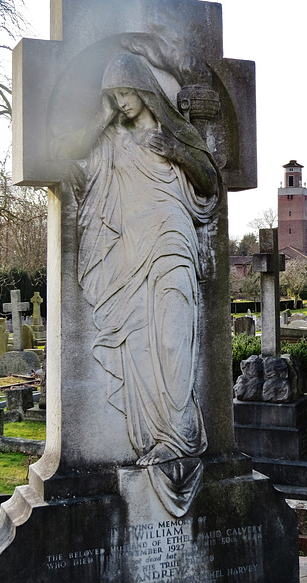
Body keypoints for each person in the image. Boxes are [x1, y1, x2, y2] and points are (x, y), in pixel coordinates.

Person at [71, 52, 219, 467]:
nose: (121, 102)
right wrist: (102, 118)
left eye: (126, 92)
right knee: (136, 345)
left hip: (172, 243)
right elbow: (68, 151)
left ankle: (183, 434)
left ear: (143, 89)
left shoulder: (174, 131)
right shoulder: (112, 140)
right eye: (114, 96)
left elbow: (209, 179)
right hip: (129, 255)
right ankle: (159, 435)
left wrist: (177, 151)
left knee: (172, 339)